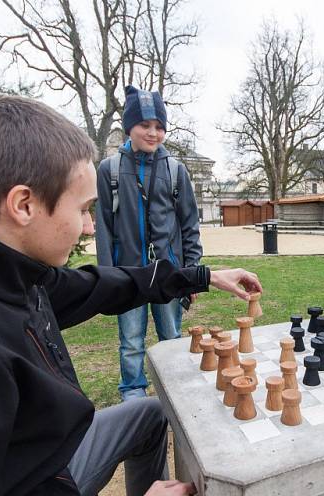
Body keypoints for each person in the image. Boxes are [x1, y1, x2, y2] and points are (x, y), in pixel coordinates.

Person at [0, 95, 261, 496]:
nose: (90, 228)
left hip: (50, 459)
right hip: (39, 480)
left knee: (148, 415)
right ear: (23, 204)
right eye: (82, 209)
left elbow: (105, 285)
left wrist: (204, 276)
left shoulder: (8, 273)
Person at [95, 85, 202, 401]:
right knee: (130, 340)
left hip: (168, 274)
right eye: (145, 125)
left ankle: (177, 386)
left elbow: (189, 225)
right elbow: (103, 226)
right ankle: (133, 389)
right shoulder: (109, 170)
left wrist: (191, 274)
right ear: (129, 126)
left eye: (159, 126)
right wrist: (106, 278)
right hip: (128, 274)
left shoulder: (175, 170)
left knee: (171, 336)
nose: (153, 133)